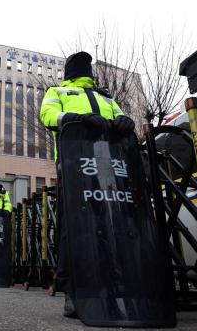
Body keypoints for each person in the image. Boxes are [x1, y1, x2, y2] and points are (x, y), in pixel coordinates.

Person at [40, 51, 135, 318]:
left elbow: (120, 117)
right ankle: (75, 291)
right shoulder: (57, 92)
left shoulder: (106, 97)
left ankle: (117, 286)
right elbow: (47, 116)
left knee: (113, 222)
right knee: (76, 226)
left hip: (109, 162)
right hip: (74, 163)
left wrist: (125, 122)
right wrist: (75, 119)